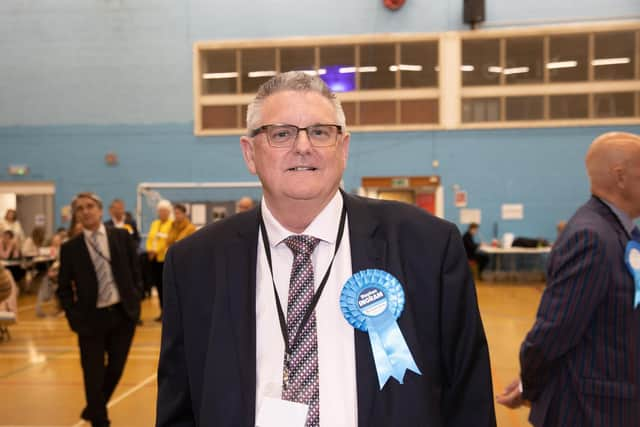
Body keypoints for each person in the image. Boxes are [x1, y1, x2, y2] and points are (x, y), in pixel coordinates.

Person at [156, 71, 495, 427]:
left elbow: (469, 399)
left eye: (320, 132)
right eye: (281, 133)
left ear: (344, 148)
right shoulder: (194, 263)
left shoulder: (427, 246)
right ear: (249, 153)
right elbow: (179, 407)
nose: (303, 147)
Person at [497, 132, 640, 426]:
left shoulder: (624, 233)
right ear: (621, 177)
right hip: (591, 410)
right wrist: (529, 383)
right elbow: (554, 331)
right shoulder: (592, 237)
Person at [57, 192, 142, 427]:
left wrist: (135, 298)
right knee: (92, 374)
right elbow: (63, 288)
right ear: (76, 215)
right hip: (90, 320)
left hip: (122, 315)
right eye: (80, 208)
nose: (86, 211)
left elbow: (136, 270)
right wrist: (74, 318)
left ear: (100, 210)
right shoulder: (70, 248)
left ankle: (93, 407)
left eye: (90, 206)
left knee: (115, 369)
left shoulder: (121, 237)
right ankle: (100, 420)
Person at [145, 200, 172, 321]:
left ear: (168, 212)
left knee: (167, 287)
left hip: (165, 259)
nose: (162, 213)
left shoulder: (172, 224)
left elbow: (168, 241)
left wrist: (157, 251)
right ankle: (162, 311)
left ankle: (169, 312)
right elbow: (150, 238)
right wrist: (149, 250)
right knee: (158, 286)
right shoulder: (155, 223)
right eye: (160, 211)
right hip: (154, 259)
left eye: (164, 211)